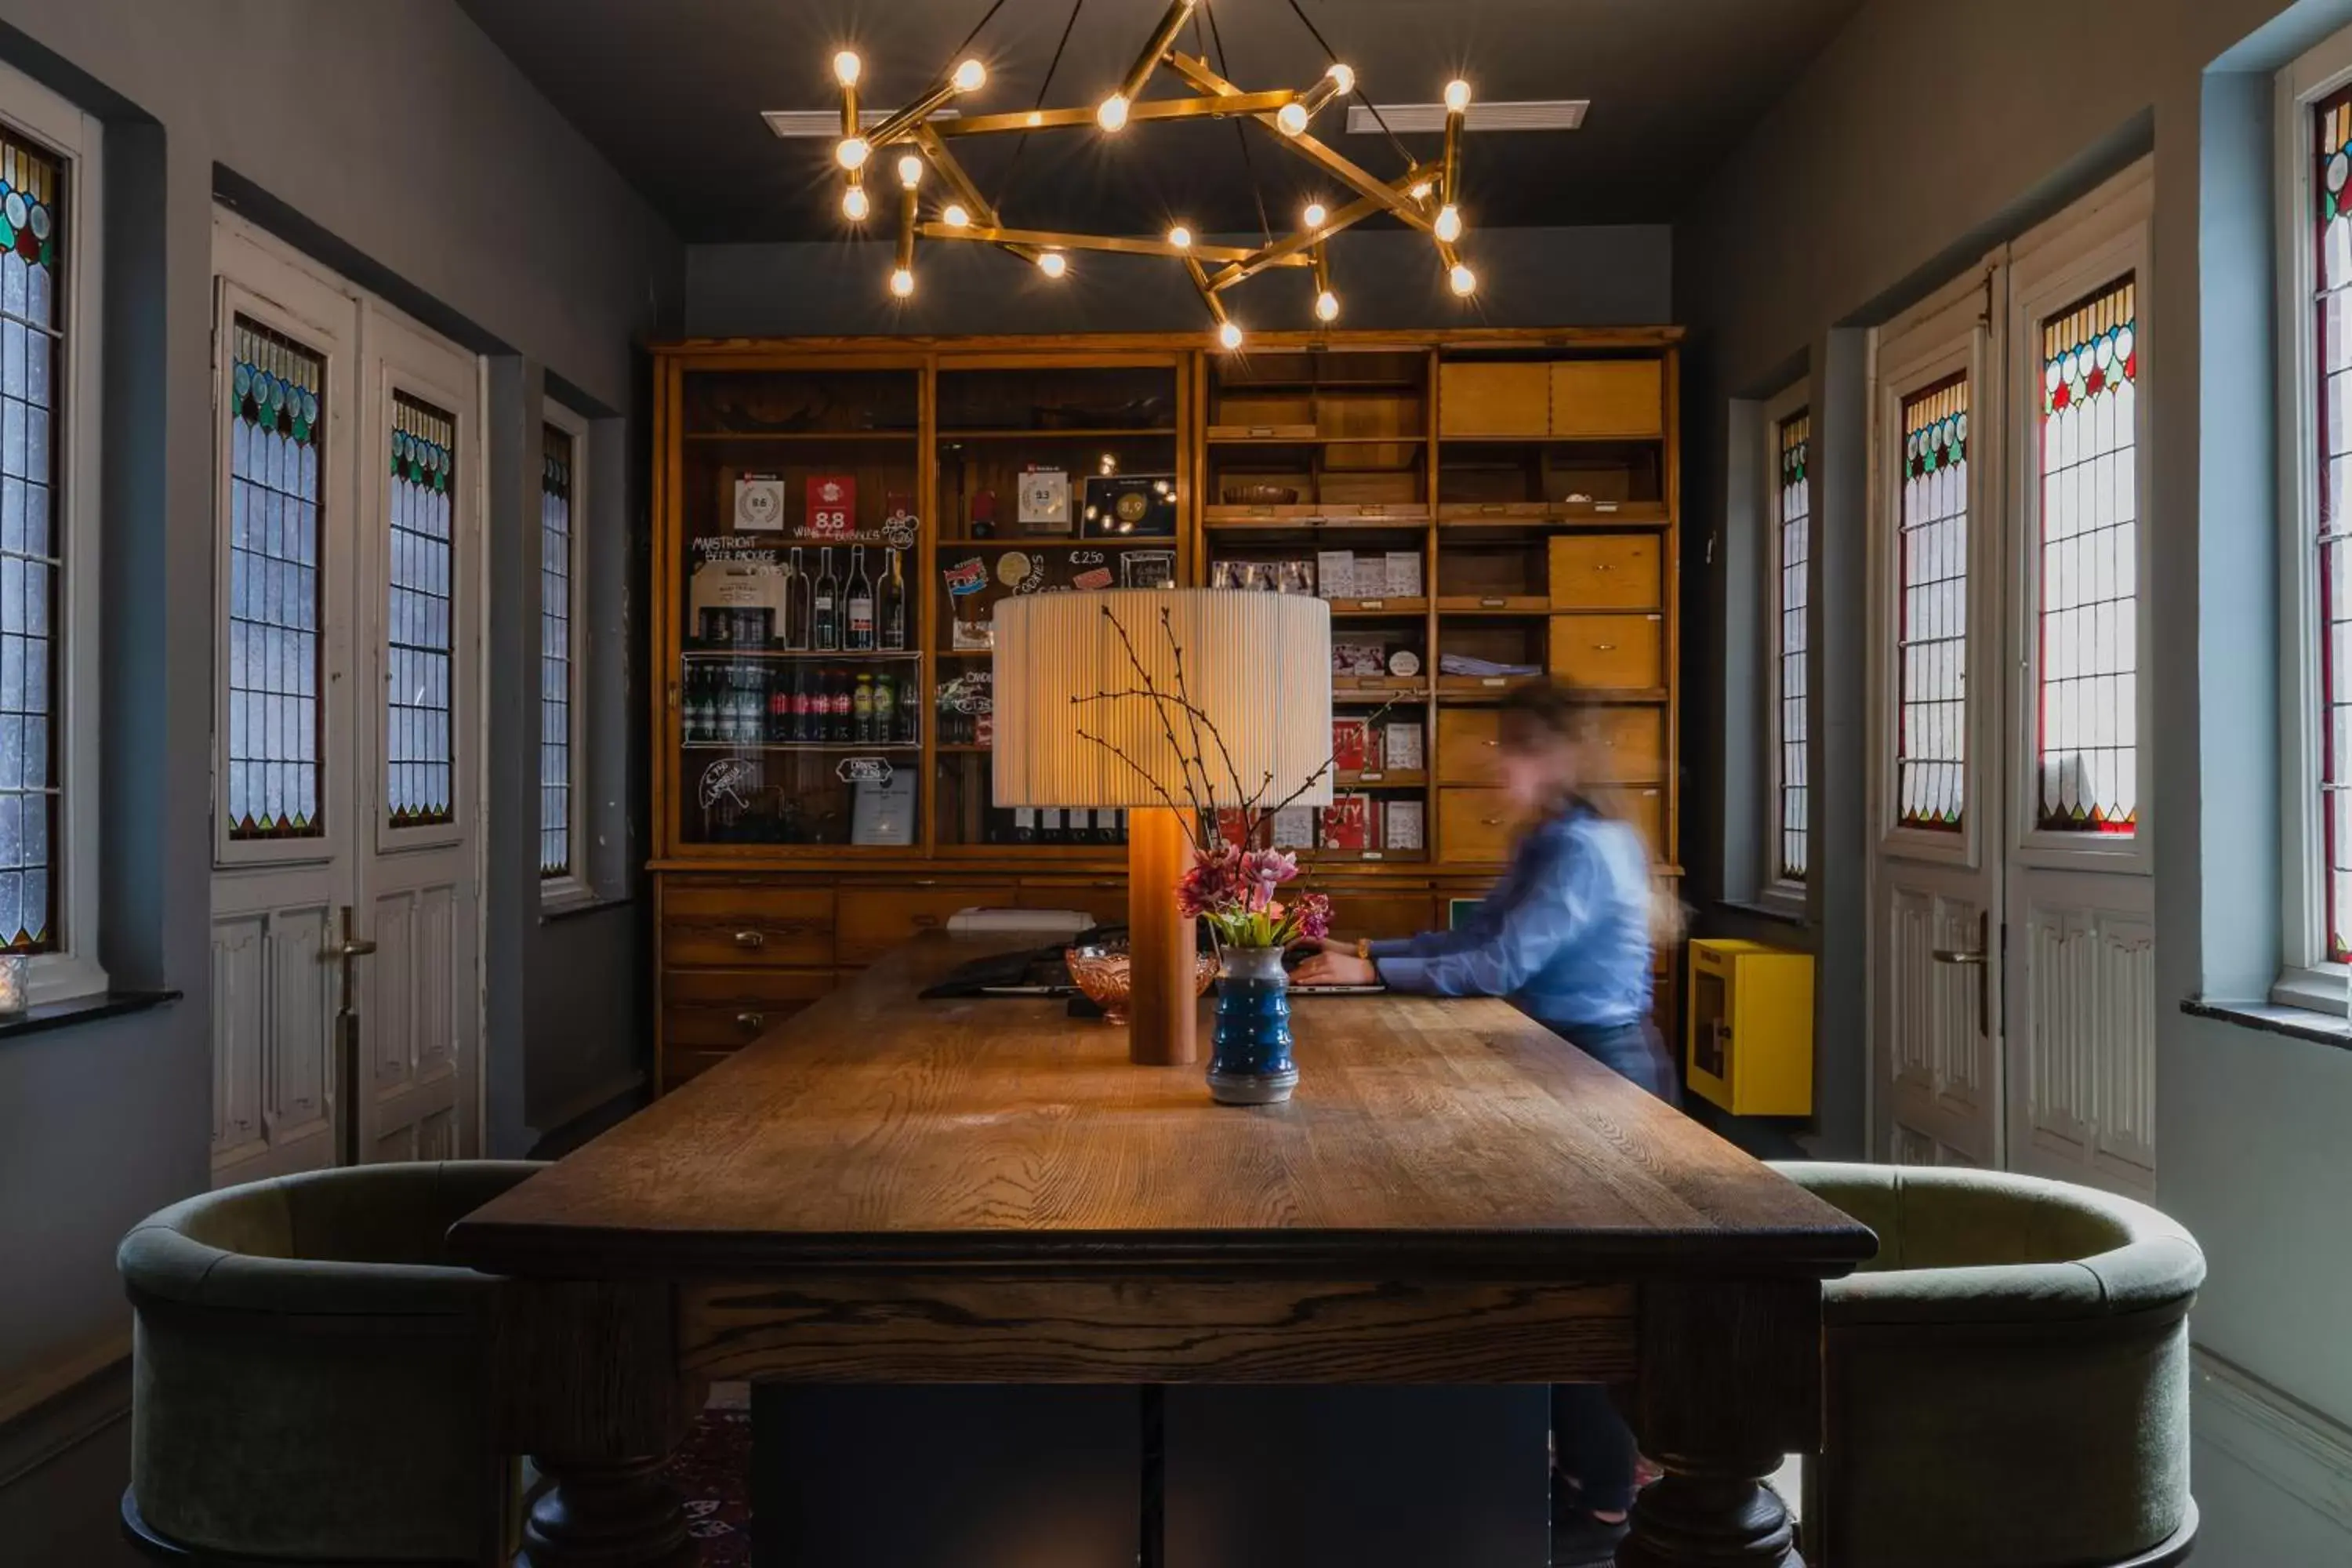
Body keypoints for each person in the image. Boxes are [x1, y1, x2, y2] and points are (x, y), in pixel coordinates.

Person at [1293, 679, 1681, 1562]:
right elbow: (1466, 937)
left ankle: (1606, 1503)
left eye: (1511, 746)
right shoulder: (1551, 838)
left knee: (1583, 1294)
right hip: (1556, 1064)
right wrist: (1366, 954)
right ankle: (1574, 1474)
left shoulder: (1582, 847)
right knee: (1552, 1278)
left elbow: (1499, 961)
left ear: (1555, 756)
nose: (1493, 762)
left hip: (1593, 1074)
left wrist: (1370, 972)